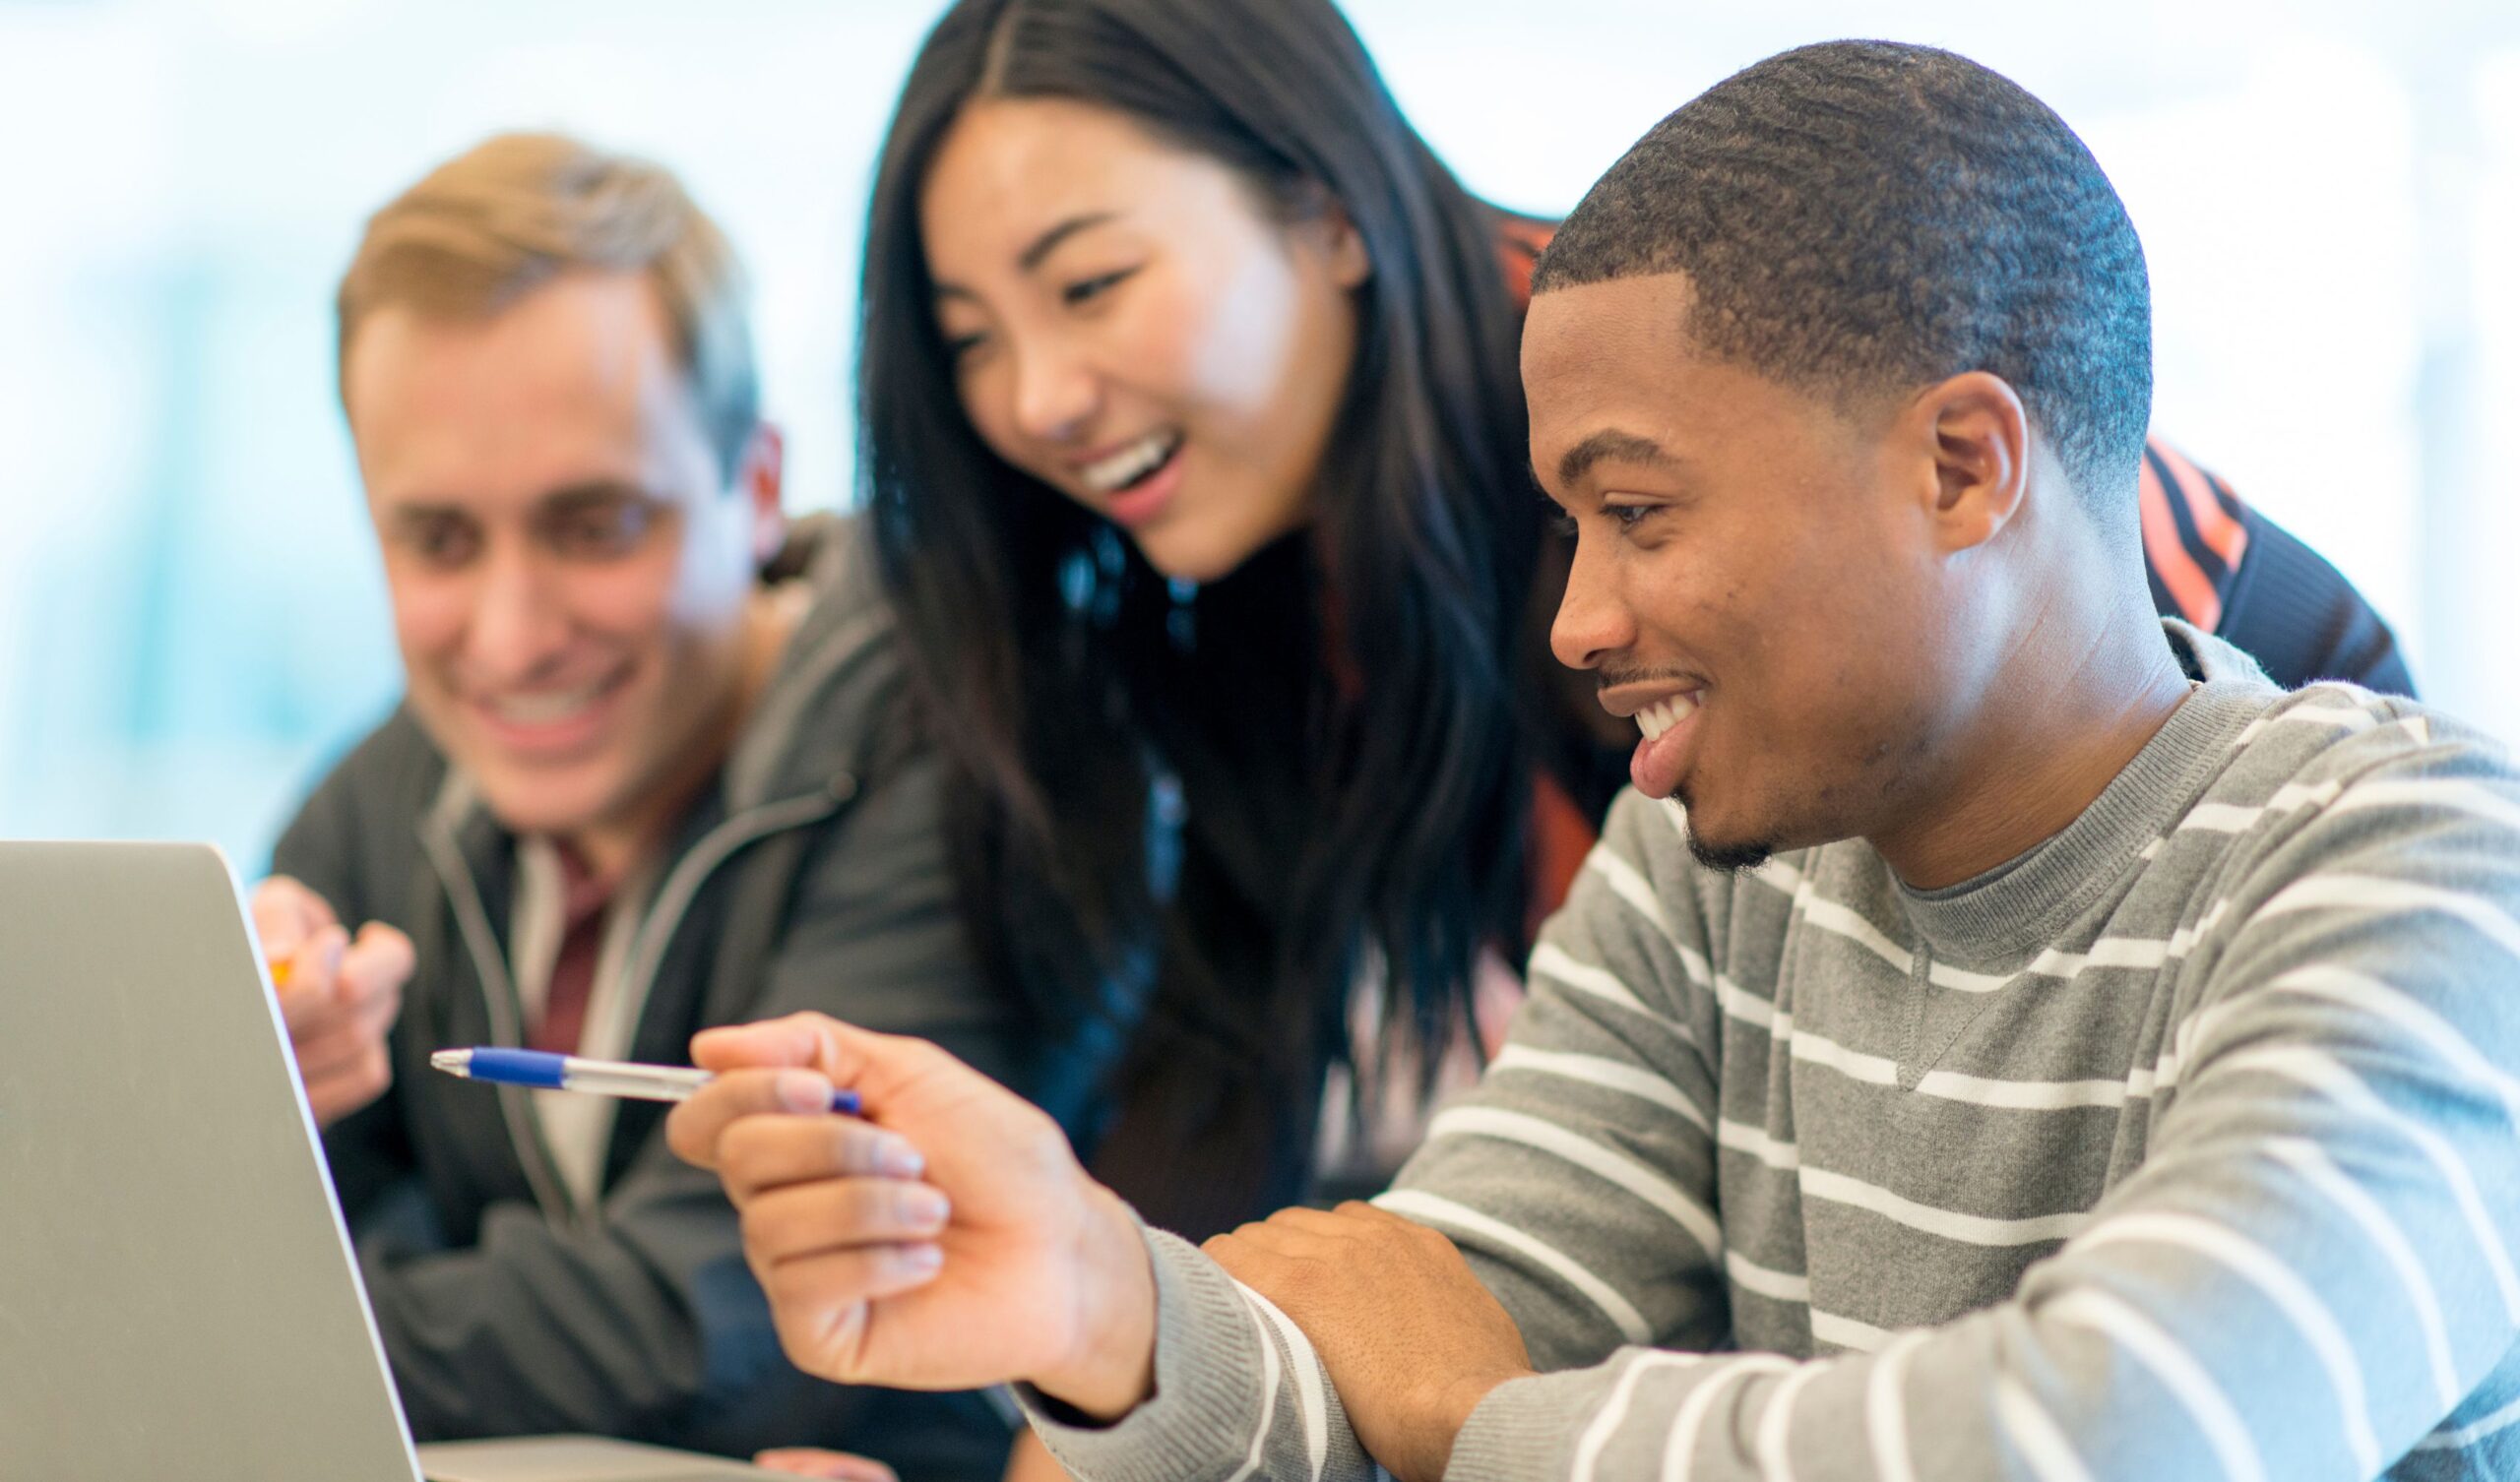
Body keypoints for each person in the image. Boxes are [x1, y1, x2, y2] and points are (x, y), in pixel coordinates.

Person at [669, 40, 2520, 1482]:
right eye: (1566, 525)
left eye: (1636, 509)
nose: (1573, 623)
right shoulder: (1720, 859)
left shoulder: (2424, 869)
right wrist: (1087, 1287)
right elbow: (1415, 1331)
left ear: (1963, 465)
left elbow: (2121, 1439)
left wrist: (1490, 1422)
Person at [852, 0, 2415, 1257]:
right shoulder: (1220, 564)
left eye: (1094, 283)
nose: (1037, 400)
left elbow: (2061, 689)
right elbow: (1284, 1123)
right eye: (970, 339)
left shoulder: (1664, 408)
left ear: (1325, 211)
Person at [255, 132, 1062, 1477]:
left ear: (755, 487)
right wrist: (270, 1111)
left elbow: (715, 1333)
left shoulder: (965, 755)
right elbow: (228, 1243)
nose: (511, 641)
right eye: (438, 540)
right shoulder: (374, 798)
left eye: (596, 525)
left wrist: (273, 1313)